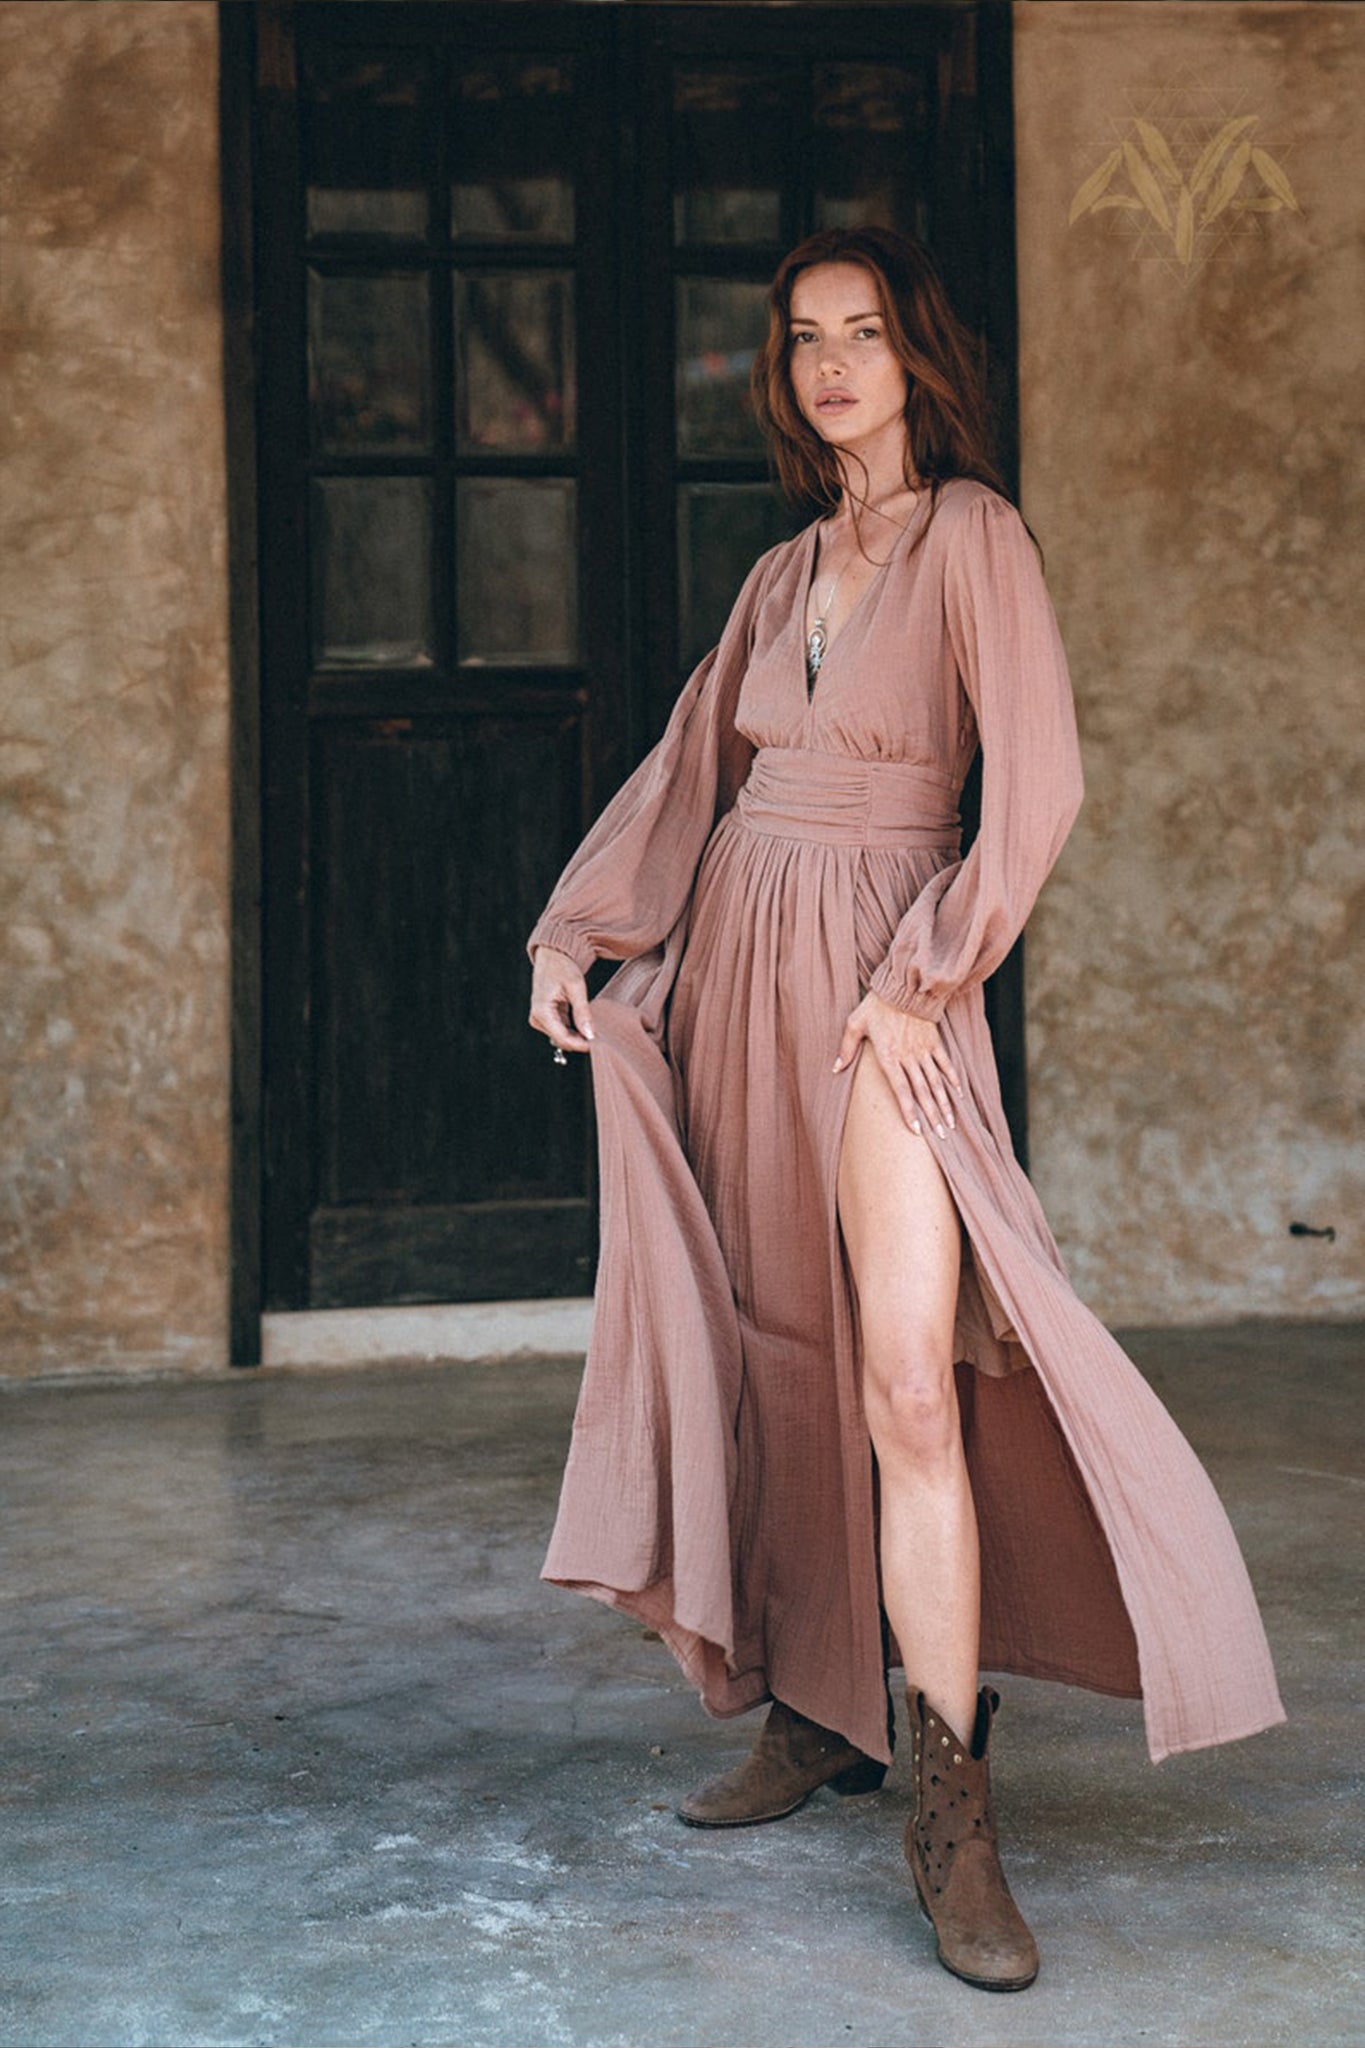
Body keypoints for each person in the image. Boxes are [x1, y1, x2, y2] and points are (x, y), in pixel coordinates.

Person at [527, 226, 1283, 1993]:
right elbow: (685, 765)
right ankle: (822, 1713)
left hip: (886, 993)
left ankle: (950, 1807)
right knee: (781, 1359)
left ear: (914, 358)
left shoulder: (973, 538)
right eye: (804, 341)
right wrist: (580, 931)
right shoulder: (783, 571)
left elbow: (1039, 780)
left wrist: (920, 978)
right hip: (734, 971)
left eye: (862, 334)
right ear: (784, 376)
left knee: (899, 1379)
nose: (833, 365)